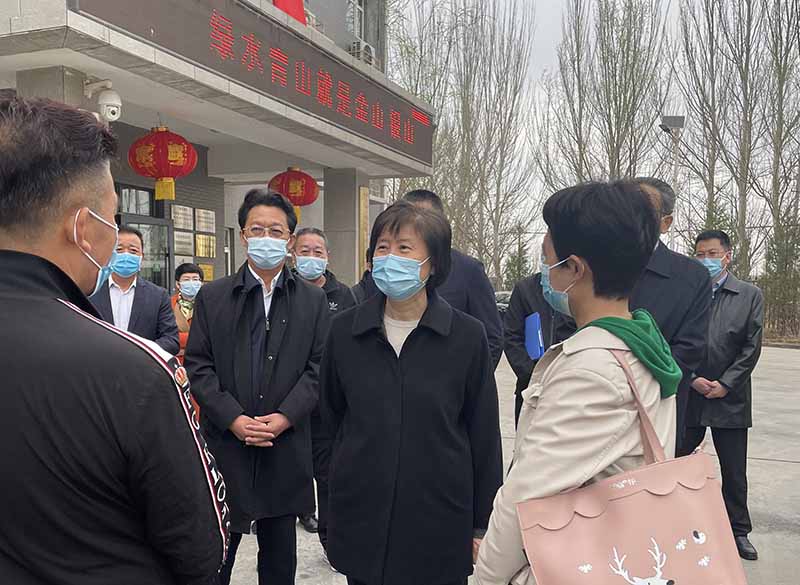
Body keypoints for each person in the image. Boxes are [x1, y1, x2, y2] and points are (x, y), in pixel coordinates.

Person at [0, 97, 228, 584]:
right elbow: (201, 549)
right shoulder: (135, 372)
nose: (118, 238)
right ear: (82, 228)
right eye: (114, 219)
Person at [475, 182, 678, 584]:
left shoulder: (591, 368)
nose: (544, 272)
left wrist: (487, 578)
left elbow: (526, 498)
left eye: (548, 259)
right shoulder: (641, 341)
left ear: (575, 269)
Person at [320, 201, 503, 585]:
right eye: (382, 247)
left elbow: (484, 435)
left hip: (439, 518)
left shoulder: (467, 336)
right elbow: (328, 423)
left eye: (404, 248)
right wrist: (334, 497)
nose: (391, 258)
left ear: (433, 263)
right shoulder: (345, 331)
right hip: (362, 514)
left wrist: (482, 523)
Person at [185, 189, 330, 585]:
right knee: (216, 556)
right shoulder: (214, 297)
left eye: (276, 230)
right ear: (243, 235)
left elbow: (319, 368)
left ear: (290, 239)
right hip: (227, 444)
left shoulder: (312, 301)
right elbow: (198, 365)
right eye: (257, 229)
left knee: (279, 559)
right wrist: (232, 418)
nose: (266, 237)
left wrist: (284, 417)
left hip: (284, 445)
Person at [683, 229, 763, 561]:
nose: (706, 260)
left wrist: (727, 383)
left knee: (734, 469)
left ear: (727, 257)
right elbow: (673, 339)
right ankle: (678, 524)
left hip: (731, 397)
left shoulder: (749, 295)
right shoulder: (686, 292)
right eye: (700, 254)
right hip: (691, 393)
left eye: (712, 254)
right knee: (677, 463)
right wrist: (691, 378)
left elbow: (751, 346)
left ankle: (738, 531)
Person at [630, 177, 712, 450]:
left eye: (643, 210)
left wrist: (629, 382)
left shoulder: (691, 276)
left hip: (658, 407)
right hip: (594, 404)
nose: (630, 218)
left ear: (665, 223)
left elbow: (690, 348)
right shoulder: (593, 265)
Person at [291, 227, 356, 542]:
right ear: (293, 254)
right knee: (291, 465)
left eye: (318, 252)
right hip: (288, 398)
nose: (311, 257)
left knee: (328, 470)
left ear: (328, 256)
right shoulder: (283, 291)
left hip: (328, 398)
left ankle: (330, 535)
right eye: (304, 251)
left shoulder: (344, 295)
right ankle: (301, 509)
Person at [403, 190, 504, 368]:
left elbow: (492, 338)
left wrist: (467, 378)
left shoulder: (469, 271)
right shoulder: (388, 271)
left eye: (424, 221)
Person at [91, 226, 180, 355]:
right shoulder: (91, 291)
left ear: (141, 257)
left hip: (143, 365)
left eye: (133, 251)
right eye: (119, 250)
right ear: (109, 254)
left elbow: (171, 340)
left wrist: (138, 351)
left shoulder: (158, 296)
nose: (126, 255)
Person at [503, 273, 576, 426]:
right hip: (530, 390)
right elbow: (511, 336)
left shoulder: (579, 287)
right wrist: (533, 375)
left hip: (571, 389)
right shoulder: (525, 289)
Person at [172, 262, 205, 364]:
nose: (191, 283)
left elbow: (211, 336)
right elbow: (167, 336)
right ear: (178, 284)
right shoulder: (168, 304)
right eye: (186, 280)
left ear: (201, 283)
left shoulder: (209, 305)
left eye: (195, 279)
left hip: (202, 362)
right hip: (174, 362)